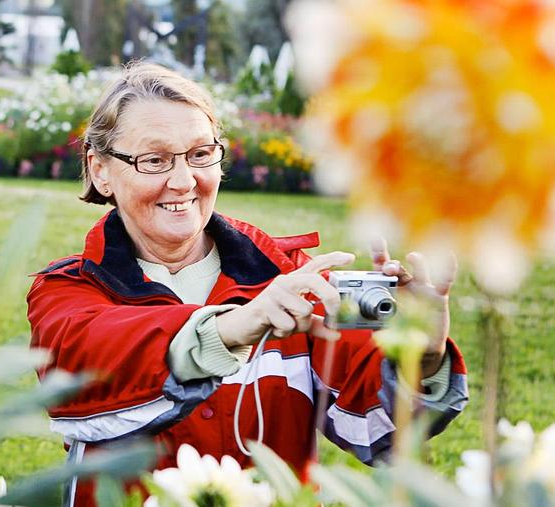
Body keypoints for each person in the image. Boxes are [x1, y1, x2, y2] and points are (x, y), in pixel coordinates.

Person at [26, 62, 469, 505]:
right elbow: (87, 372)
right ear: (100, 170)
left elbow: (378, 428)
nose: (184, 181)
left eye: (201, 154)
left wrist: (422, 357)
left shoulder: (287, 277)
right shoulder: (68, 291)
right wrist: (232, 328)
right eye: (154, 160)